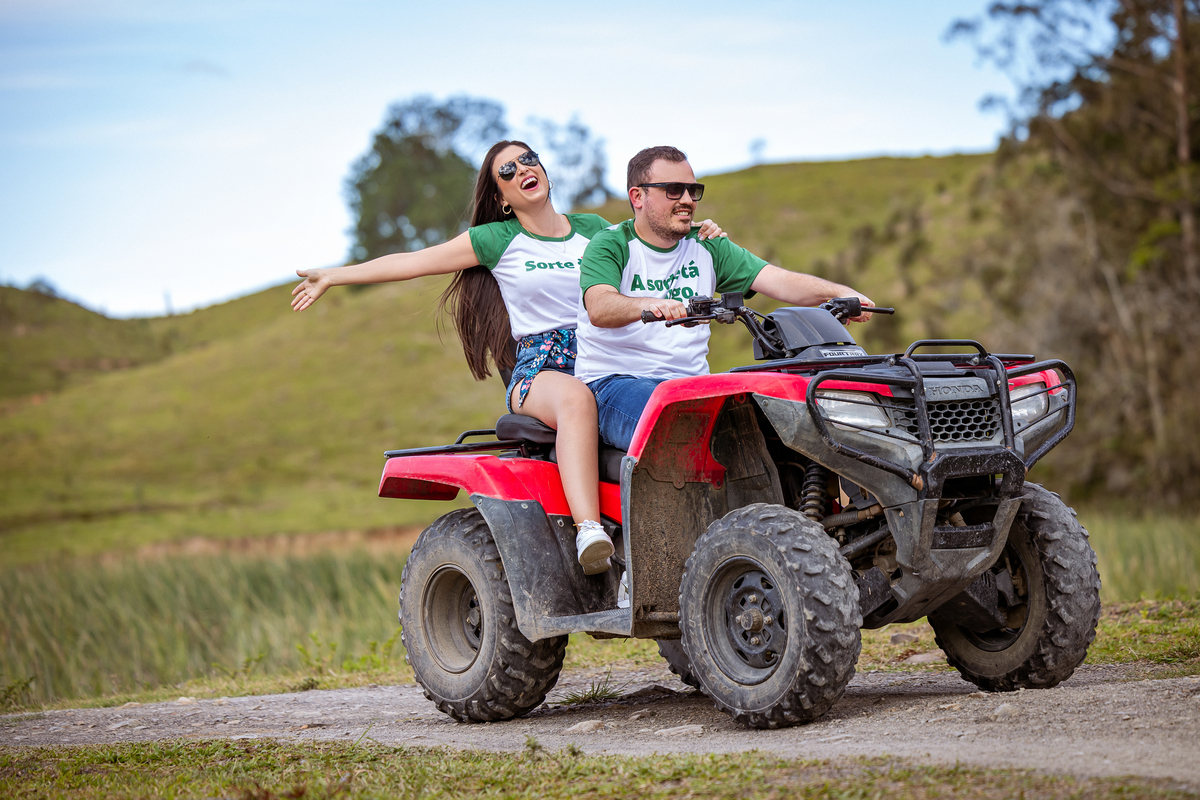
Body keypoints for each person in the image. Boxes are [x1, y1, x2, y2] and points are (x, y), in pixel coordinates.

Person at [291, 141, 726, 575]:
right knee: (576, 399)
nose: (522, 169)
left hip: (607, 359)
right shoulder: (498, 238)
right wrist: (333, 275)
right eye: (507, 170)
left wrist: (697, 233)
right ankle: (589, 530)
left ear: (545, 171)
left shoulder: (594, 229)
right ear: (501, 196)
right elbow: (415, 261)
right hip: (543, 366)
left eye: (528, 159)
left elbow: (652, 240)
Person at [575, 145, 875, 451]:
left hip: (690, 383)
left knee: (778, 426)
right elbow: (599, 306)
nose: (687, 200)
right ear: (638, 196)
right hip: (615, 382)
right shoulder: (610, 243)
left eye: (693, 191)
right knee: (680, 431)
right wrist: (648, 303)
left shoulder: (707, 244)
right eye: (674, 190)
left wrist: (840, 292)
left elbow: (778, 280)